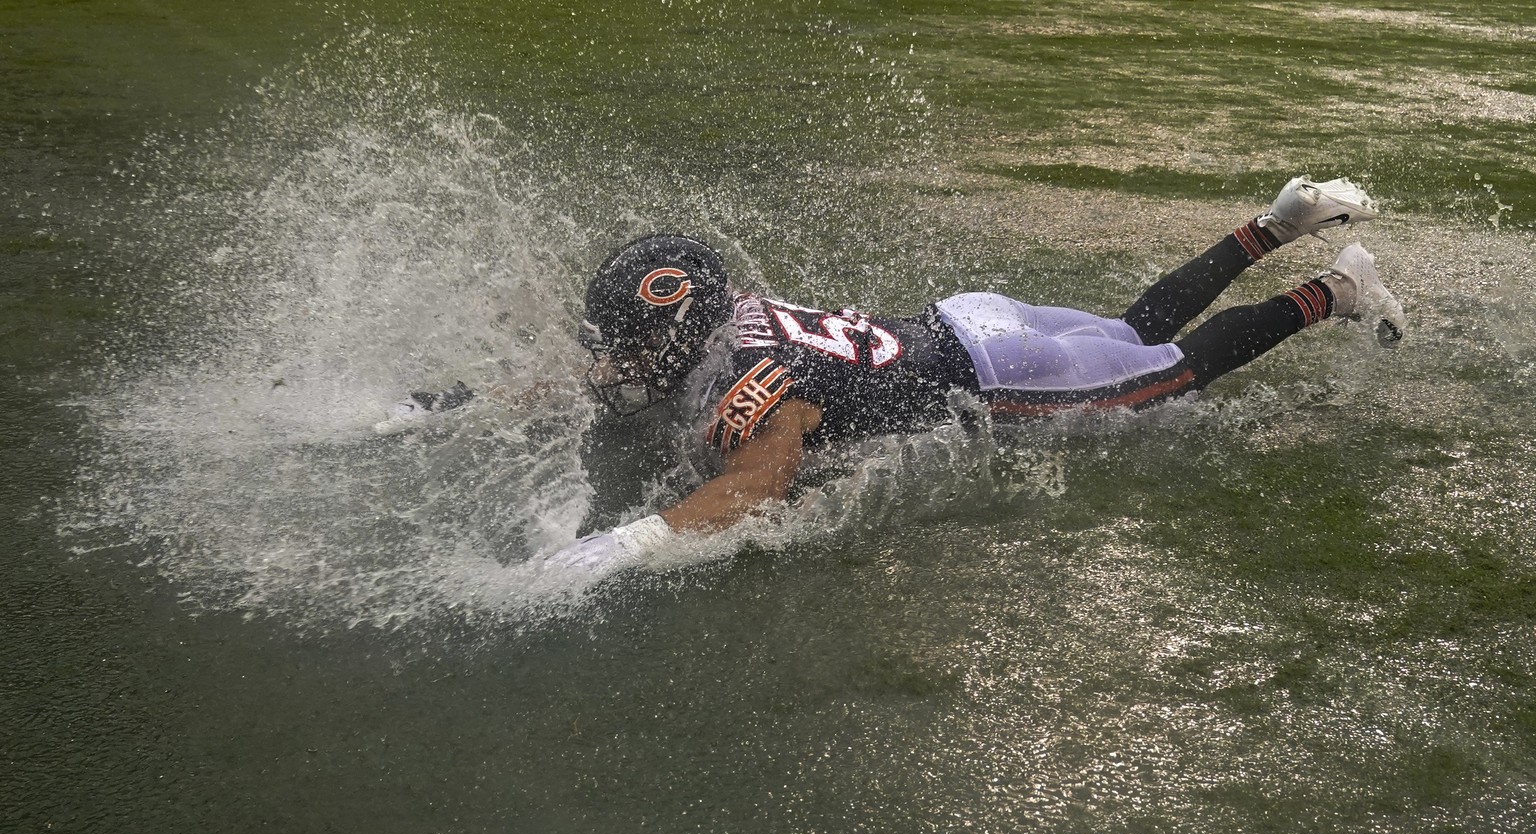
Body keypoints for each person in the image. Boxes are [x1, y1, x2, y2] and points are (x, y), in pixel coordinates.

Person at [465, 176, 1404, 574]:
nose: (619, 365)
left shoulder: (743, 383)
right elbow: (604, 374)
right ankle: (1274, 226)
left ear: (675, 329)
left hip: (1000, 367)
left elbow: (758, 485)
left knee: (1171, 372)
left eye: (632, 344)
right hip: (971, 316)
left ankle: (1338, 290)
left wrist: (623, 545)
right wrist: (450, 405)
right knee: (1128, 329)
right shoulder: (733, 313)